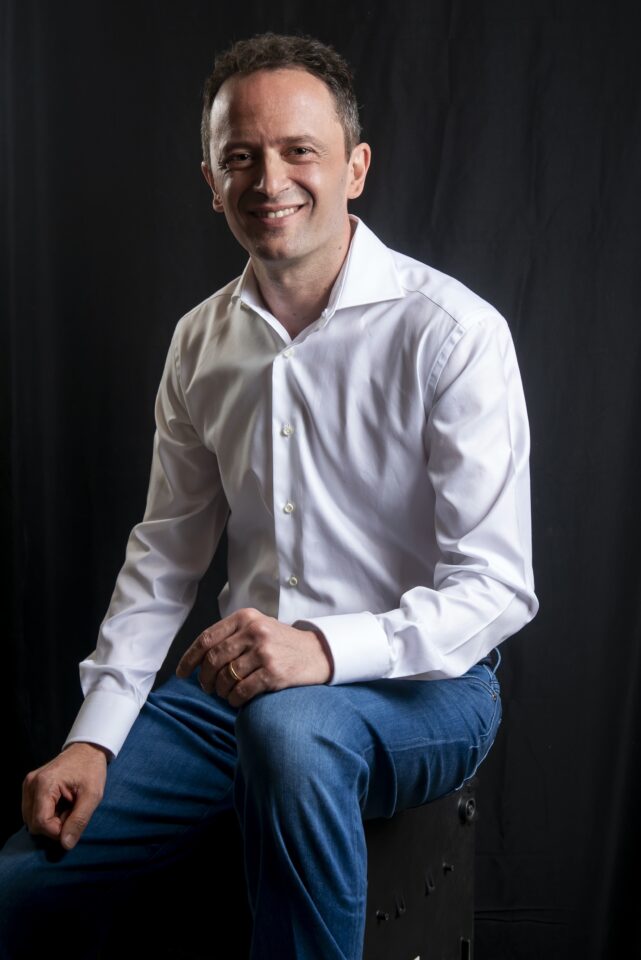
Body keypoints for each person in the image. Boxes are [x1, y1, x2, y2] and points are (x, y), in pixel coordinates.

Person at [0, 32, 538, 960]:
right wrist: (92, 737)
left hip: (426, 691)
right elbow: (163, 559)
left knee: (292, 730)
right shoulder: (198, 343)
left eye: (299, 151)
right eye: (239, 157)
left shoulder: (452, 333)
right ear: (211, 182)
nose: (269, 180)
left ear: (354, 168)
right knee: (21, 890)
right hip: (232, 702)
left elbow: (496, 590)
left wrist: (321, 650)